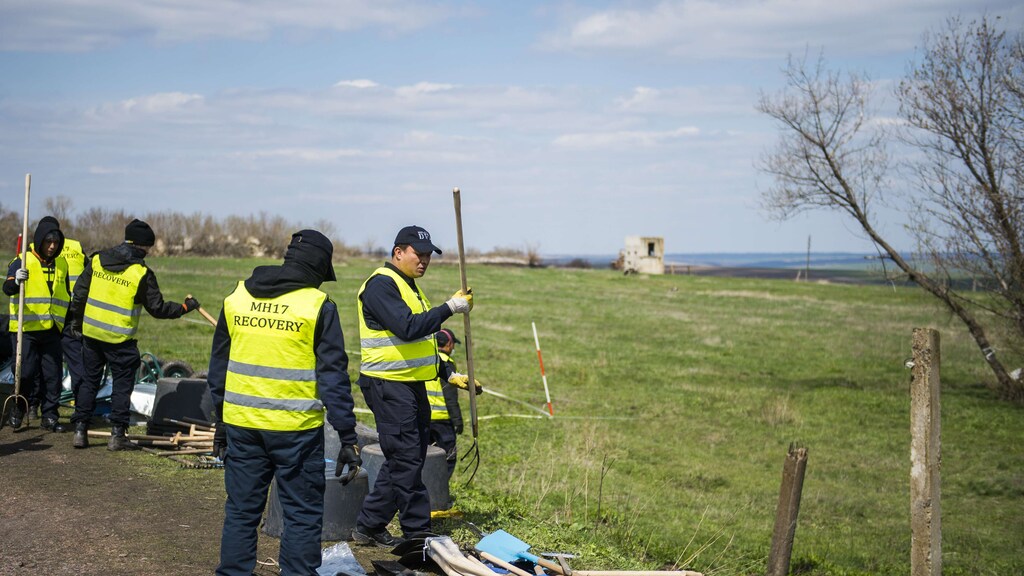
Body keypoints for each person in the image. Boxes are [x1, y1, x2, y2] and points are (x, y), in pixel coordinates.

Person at [207, 229, 361, 576]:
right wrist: (347, 437)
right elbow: (333, 377)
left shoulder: (237, 298)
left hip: (242, 426)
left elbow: (218, 368)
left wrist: (219, 421)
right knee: (302, 516)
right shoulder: (317, 306)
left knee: (242, 511)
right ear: (319, 269)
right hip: (296, 433)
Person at [352, 225, 473, 548]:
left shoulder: (410, 288)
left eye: (428, 255)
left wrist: (447, 374)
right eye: (418, 254)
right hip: (389, 386)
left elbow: (420, 344)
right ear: (398, 253)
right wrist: (450, 307)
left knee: (407, 458)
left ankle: (368, 525)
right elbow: (407, 329)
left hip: (411, 384)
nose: (424, 261)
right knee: (406, 459)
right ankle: (417, 532)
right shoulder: (380, 286)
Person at [65, 219, 200, 450]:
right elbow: (157, 308)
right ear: (144, 246)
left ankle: (80, 431)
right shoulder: (141, 273)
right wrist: (184, 308)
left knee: (89, 380)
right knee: (122, 385)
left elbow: (79, 295)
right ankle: (117, 435)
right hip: (119, 340)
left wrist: (76, 323)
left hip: (91, 335)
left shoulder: (97, 261)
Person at [3, 218, 71, 431]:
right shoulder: (22, 261)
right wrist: (16, 281)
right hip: (26, 330)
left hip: (51, 330)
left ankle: (50, 415)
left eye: (56, 242)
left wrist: (66, 323)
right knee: (25, 373)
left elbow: (65, 294)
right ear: (40, 240)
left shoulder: (62, 264)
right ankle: (19, 408)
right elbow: (7, 288)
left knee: (53, 375)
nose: (52, 246)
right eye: (48, 241)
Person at [38, 216, 88, 400]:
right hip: (73, 311)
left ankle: (37, 404)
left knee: (45, 361)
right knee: (76, 361)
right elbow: (89, 272)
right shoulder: (76, 246)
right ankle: (81, 404)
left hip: (46, 315)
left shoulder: (34, 251)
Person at [427, 328, 481, 478]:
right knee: (448, 457)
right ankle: (440, 493)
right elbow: (450, 395)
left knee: (424, 456)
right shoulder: (446, 363)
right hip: (442, 419)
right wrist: (457, 420)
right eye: (453, 345)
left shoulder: (427, 358)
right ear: (449, 344)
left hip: (423, 416)